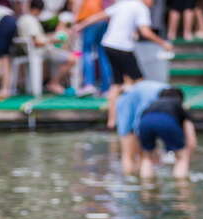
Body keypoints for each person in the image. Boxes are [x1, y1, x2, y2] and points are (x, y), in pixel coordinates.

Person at [74, 0, 174, 129]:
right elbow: (146, 32)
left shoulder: (124, 3)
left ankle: (111, 121)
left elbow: (100, 15)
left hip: (109, 44)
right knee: (140, 82)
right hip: (123, 47)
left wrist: (81, 25)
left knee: (116, 84)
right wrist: (163, 43)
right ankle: (141, 117)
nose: (152, 4)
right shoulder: (140, 8)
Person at [18, 0, 79, 95]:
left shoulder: (26, 19)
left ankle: (55, 83)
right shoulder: (29, 20)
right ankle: (54, 83)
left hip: (42, 50)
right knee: (73, 58)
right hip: (41, 51)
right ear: (38, 10)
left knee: (68, 56)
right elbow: (37, 42)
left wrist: (52, 37)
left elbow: (38, 38)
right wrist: (54, 40)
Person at [136, 87, 196, 179]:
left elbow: (139, 126)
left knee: (147, 157)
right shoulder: (178, 105)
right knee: (182, 158)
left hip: (144, 121)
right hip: (166, 120)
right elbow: (191, 139)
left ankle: (146, 187)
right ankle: (182, 187)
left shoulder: (152, 104)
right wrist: (186, 153)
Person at [114, 79, 167, 174]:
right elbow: (138, 122)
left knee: (139, 155)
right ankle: (132, 178)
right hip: (131, 115)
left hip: (135, 114)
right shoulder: (150, 96)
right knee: (130, 154)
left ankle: (135, 178)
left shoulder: (158, 92)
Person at [71, 0, 112, 96]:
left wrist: (76, 21)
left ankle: (89, 85)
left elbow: (77, 2)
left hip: (89, 18)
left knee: (87, 51)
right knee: (103, 54)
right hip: (104, 18)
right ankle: (106, 88)